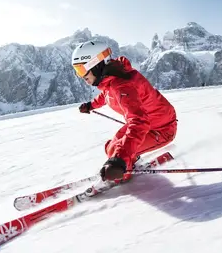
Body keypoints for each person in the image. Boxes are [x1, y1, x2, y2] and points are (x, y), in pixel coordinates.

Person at [72, 41, 178, 182]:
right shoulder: (111, 79)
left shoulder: (122, 86)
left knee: (116, 151)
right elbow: (107, 95)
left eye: (81, 70)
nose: (81, 76)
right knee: (111, 147)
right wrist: (91, 105)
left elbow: (139, 121)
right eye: (77, 71)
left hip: (161, 129)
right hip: (149, 123)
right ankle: (125, 163)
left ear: (96, 64)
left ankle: (122, 174)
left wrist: (118, 161)